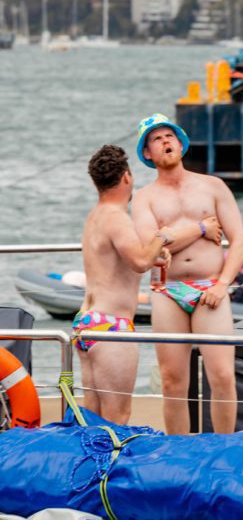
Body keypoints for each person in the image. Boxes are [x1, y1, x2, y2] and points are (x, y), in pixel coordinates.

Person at [132, 113, 243, 435]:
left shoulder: (213, 187)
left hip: (211, 287)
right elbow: (151, 249)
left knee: (222, 375)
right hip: (167, 290)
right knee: (172, 380)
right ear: (147, 154)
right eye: (156, 139)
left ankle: (225, 446)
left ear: (180, 144)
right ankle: (178, 449)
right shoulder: (144, 198)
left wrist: (223, 284)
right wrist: (200, 228)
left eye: (170, 135)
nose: (165, 141)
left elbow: (239, 241)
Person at [78, 144, 175, 424]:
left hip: (87, 323)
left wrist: (152, 254)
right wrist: (162, 238)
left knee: (92, 418)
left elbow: (114, 262)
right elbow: (140, 262)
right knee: (117, 417)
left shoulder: (95, 216)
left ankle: (94, 468)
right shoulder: (118, 219)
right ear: (127, 178)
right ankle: (110, 469)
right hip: (112, 327)